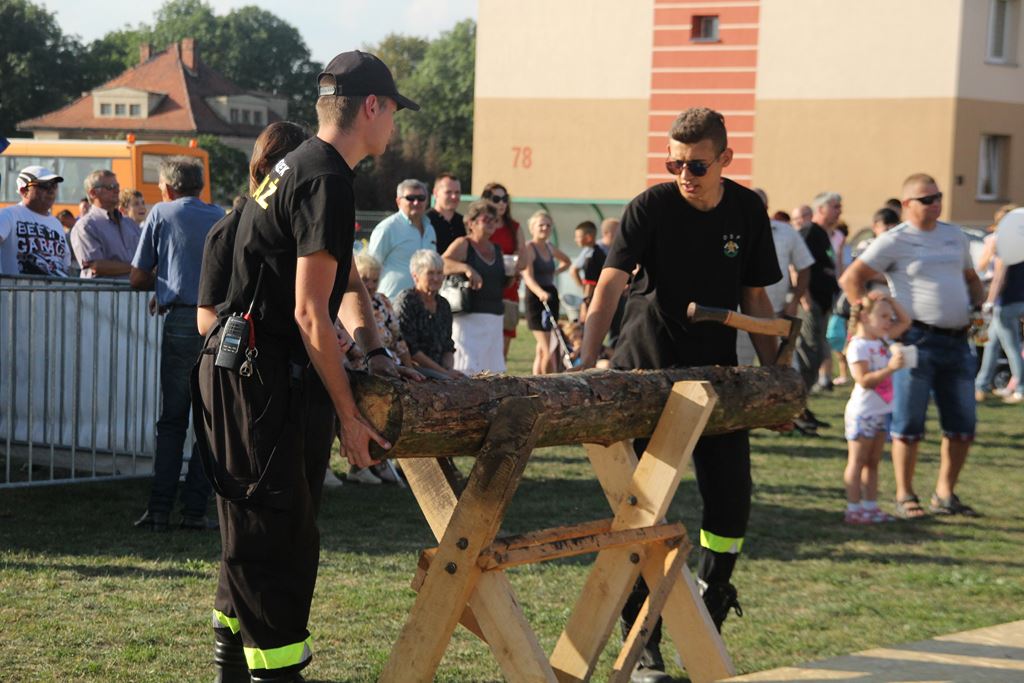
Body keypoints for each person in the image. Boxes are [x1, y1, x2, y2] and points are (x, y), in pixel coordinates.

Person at [192, 49, 415, 683]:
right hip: (261, 380)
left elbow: (344, 283)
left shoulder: (300, 165)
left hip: (248, 372)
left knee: (256, 538)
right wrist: (350, 416)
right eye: (393, 110)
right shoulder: (325, 179)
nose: (394, 123)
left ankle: (237, 668)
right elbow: (311, 313)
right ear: (370, 107)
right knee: (279, 543)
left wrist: (376, 351)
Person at [579, 107, 781, 682]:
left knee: (731, 501)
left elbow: (756, 299)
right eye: (674, 163)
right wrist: (588, 361)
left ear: (725, 159)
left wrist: (774, 378)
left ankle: (713, 596)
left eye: (695, 165)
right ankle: (642, 641)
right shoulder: (650, 206)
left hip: (717, 380)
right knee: (643, 512)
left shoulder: (748, 210)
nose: (683, 174)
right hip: (646, 373)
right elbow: (609, 286)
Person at [840, 173, 984, 521]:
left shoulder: (954, 235)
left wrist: (979, 306)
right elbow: (851, 278)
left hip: (957, 339)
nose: (936, 204)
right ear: (906, 204)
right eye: (927, 199)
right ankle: (905, 494)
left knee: (962, 424)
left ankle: (945, 494)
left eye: (938, 197)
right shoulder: (895, 240)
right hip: (915, 339)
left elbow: (970, 278)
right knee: (908, 424)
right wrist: (870, 325)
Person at [130, 157, 224, 532]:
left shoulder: (161, 213)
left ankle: (159, 509)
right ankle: (195, 510)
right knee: (209, 421)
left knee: (172, 421)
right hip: (215, 321)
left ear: (167, 188)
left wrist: (164, 281)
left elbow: (137, 277)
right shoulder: (219, 215)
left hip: (181, 320)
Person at [197, 121, 310, 338]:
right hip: (251, 356)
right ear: (264, 166)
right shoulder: (228, 229)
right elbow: (205, 320)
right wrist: (255, 340)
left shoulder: (302, 225)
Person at [347, 251, 423, 484]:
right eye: (365, 279)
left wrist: (408, 365)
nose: (370, 285)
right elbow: (348, 345)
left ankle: (395, 457)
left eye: (374, 280)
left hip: (389, 362)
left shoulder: (383, 301)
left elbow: (398, 339)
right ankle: (365, 462)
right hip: (359, 363)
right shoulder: (347, 303)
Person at [842, 292, 910, 524]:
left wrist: (890, 300)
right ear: (864, 316)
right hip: (863, 413)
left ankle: (870, 507)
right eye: (883, 316)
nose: (889, 322)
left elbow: (905, 321)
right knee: (857, 461)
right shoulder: (858, 346)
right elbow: (864, 380)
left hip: (881, 411)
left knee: (873, 462)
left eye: (889, 317)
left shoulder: (882, 340)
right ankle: (853, 509)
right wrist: (890, 368)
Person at [736, 188, 814, 365]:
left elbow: (804, 266)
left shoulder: (786, 232)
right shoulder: (732, 231)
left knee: (783, 369)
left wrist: (794, 302)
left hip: (776, 316)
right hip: (739, 319)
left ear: (766, 207)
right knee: (739, 370)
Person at [793, 192, 842, 433]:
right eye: (835, 206)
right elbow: (796, 264)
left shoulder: (824, 234)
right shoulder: (809, 231)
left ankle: (803, 407)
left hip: (823, 306)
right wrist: (804, 297)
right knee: (808, 355)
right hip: (810, 306)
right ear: (820, 209)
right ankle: (796, 412)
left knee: (818, 355)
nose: (839, 210)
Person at [442, 200, 507, 375]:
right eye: (486, 219)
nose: (491, 223)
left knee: (492, 372)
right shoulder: (463, 244)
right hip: (468, 319)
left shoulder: (497, 249)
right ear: (471, 223)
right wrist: (466, 268)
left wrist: (513, 276)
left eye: (494, 220)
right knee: (467, 369)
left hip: (494, 317)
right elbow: (442, 263)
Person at [975, 227, 1024, 404]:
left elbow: (998, 280)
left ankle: (1021, 388)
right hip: (1017, 303)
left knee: (1011, 348)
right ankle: (981, 385)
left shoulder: (1005, 253)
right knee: (991, 344)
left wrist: (989, 302)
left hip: (1004, 305)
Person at [394, 249, 460, 380]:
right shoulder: (406, 301)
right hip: (413, 369)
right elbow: (411, 350)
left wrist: (449, 369)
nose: (436, 278)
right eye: (430, 273)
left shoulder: (443, 304)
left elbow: (447, 345)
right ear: (415, 276)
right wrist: (444, 373)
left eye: (439, 273)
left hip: (439, 369)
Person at [367, 178, 436, 299]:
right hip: (392, 301)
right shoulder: (387, 228)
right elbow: (371, 267)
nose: (416, 202)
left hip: (423, 301)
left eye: (421, 198)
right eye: (410, 198)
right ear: (398, 201)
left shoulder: (430, 229)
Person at [482, 182, 528, 358]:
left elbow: (523, 260)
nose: (501, 203)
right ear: (486, 200)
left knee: (503, 347)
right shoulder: (479, 225)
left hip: (508, 290)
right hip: (485, 291)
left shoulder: (514, 227)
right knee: (484, 345)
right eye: (496, 199)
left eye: (505, 199)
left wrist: (515, 264)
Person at [521, 210, 570, 374]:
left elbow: (567, 261)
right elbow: (527, 277)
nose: (545, 228)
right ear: (532, 228)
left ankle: (536, 379)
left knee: (542, 348)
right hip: (536, 298)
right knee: (547, 348)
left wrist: (554, 273)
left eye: (548, 225)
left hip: (550, 296)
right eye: (541, 225)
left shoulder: (549, 247)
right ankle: (547, 380)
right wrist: (540, 292)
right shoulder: (529, 247)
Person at [0, 165, 71, 277]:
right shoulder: (8, 215)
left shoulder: (56, 223)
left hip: (54, 287)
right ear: (24, 191)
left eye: (54, 186)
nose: (51, 190)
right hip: (17, 288)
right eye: (44, 185)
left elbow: (65, 264)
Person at [71, 170, 141, 279]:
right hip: (104, 290)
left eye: (117, 186)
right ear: (93, 193)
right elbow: (95, 266)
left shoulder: (130, 224)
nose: (117, 190)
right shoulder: (85, 226)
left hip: (134, 289)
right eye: (111, 187)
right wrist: (136, 268)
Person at [427, 172, 465, 255]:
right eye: (448, 192)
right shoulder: (425, 222)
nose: (454, 196)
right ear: (435, 193)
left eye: (457, 192)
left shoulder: (465, 223)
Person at [570, 220, 597, 291]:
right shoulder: (590, 251)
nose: (575, 240)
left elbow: (573, 271)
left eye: (577, 237)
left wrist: (583, 289)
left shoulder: (589, 254)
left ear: (588, 238)